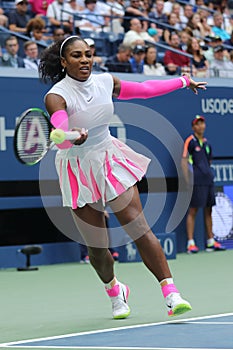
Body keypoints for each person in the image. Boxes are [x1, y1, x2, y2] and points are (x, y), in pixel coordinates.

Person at [39, 35, 207, 319]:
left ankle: (171, 293)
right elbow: (60, 129)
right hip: (77, 168)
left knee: (138, 226)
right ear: (64, 62)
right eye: (77, 56)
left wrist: (181, 81)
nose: (85, 60)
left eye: (88, 54)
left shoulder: (105, 81)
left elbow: (144, 89)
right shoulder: (56, 95)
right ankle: (115, 291)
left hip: (108, 157)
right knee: (98, 247)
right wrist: (70, 137)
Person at [181, 115, 226, 254]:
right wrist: (188, 180)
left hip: (208, 181)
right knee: (193, 211)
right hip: (196, 181)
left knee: (209, 210)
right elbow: (184, 161)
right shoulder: (190, 141)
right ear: (193, 127)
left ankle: (211, 241)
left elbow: (209, 161)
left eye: (202, 123)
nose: (201, 126)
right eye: (197, 124)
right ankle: (190, 243)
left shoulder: (207, 143)